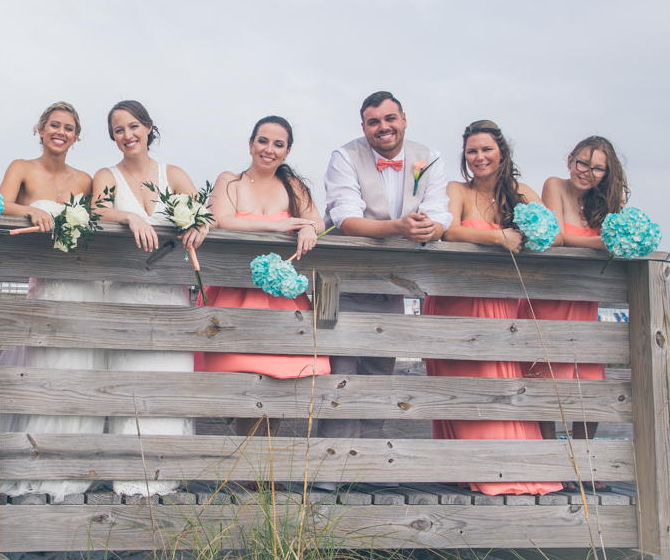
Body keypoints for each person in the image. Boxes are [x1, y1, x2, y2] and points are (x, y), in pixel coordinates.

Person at [423, 119, 562, 496]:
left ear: (502, 152)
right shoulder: (457, 190)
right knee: (462, 386)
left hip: (501, 301)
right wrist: (498, 236)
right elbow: (450, 230)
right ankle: (466, 469)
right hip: (456, 300)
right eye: (472, 151)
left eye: (486, 149)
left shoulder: (523, 193)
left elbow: (553, 231)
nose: (479, 157)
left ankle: (509, 469)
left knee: (498, 380)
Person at [320, 91, 452, 442]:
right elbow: (346, 217)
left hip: (396, 284)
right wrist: (400, 228)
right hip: (342, 281)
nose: (383, 127)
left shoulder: (430, 158)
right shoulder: (344, 157)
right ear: (363, 126)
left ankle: (367, 465)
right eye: (374, 121)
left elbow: (439, 208)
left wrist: (432, 229)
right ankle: (333, 469)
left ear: (404, 119)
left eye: (390, 118)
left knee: (380, 372)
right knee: (341, 374)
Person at [93, 100, 206, 498]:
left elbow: (203, 212)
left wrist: (198, 226)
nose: (128, 135)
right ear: (113, 136)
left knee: (168, 377)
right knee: (129, 382)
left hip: (168, 293)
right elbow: (97, 210)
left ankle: (167, 471)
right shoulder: (107, 175)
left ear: (149, 128)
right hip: (125, 293)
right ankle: (128, 471)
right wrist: (129, 217)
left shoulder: (171, 173)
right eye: (119, 129)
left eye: (134, 126)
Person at [0, 102, 104, 503]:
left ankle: (72, 464)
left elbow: (100, 217)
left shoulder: (87, 179)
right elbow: (0, 204)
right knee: (44, 367)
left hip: (80, 285)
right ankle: (31, 462)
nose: (61, 132)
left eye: (69, 128)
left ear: (77, 137)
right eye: (54, 125)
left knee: (78, 369)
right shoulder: (22, 167)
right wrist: (30, 213)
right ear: (40, 129)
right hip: (44, 286)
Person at [198, 116, 330, 439]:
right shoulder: (230, 181)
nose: (269, 150)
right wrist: (278, 226)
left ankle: (261, 470)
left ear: (286, 152)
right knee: (245, 381)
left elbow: (318, 222)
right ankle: (246, 469)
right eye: (263, 141)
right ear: (251, 144)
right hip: (237, 296)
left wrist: (309, 228)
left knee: (279, 378)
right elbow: (221, 220)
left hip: (282, 299)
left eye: (278, 144)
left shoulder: (293, 186)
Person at [519, 136, 629, 444]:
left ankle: (583, 457)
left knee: (591, 380)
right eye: (582, 163)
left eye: (597, 169)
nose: (586, 172)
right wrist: (600, 243)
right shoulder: (555, 185)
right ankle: (552, 456)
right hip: (550, 297)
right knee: (545, 377)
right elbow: (560, 237)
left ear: (606, 174)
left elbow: (621, 236)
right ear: (570, 160)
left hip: (585, 301)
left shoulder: (608, 202)